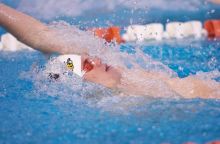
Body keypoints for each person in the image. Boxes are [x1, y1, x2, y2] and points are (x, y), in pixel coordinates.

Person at [0, 3, 219, 98]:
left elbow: (40, 35)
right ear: (80, 91)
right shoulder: (121, 105)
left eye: (86, 58)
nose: (93, 60)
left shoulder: (116, 69)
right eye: (84, 67)